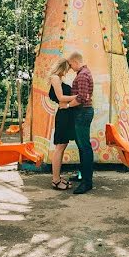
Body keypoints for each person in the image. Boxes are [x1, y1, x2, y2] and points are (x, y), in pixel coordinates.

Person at [65, 51, 94, 194]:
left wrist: (67, 105)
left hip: (82, 112)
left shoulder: (82, 75)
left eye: (71, 65)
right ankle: (83, 176)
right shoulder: (84, 73)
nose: (70, 67)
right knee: (82, 146)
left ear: (76, 62)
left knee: (85, 148)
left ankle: (87, 182)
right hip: (83, 112)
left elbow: (82, 97)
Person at [48, 58, 76, 190]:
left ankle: (57, 177)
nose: (68, 70)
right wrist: (78, 97)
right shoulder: (55, 78)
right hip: (63, 115)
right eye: (68, 68)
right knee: (60, 147)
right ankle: (55, 180)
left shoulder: (59, 79)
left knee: (62, 146)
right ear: (63, 67)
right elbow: (60, 98)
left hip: (66, 114)